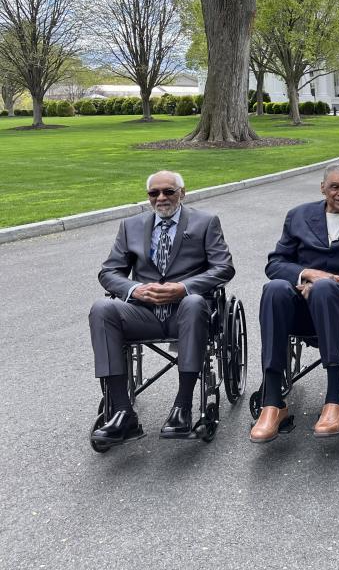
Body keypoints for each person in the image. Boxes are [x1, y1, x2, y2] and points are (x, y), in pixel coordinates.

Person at [88, 170, 235, 446]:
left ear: (183, 192)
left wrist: (184, 288)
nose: (161, 198)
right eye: (154, 193)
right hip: (144, 312)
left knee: (193, 301)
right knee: (101, 309)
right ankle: (121, 410)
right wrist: (134, 289)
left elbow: (224, 267)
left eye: (168, 191)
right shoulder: (130, 226)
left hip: (187, 312)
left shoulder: (206, 222)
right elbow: (109, 272)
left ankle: (182, 406)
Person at [251, 163, 339, 442]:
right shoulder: (298, 217)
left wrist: (338, 281)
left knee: (325, 289)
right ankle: (272, 402)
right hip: (302, 308)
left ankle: (334, 399)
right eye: (336, 187)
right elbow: (275, 263)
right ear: (323, 189)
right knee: (275, 289)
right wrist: (308, 274)